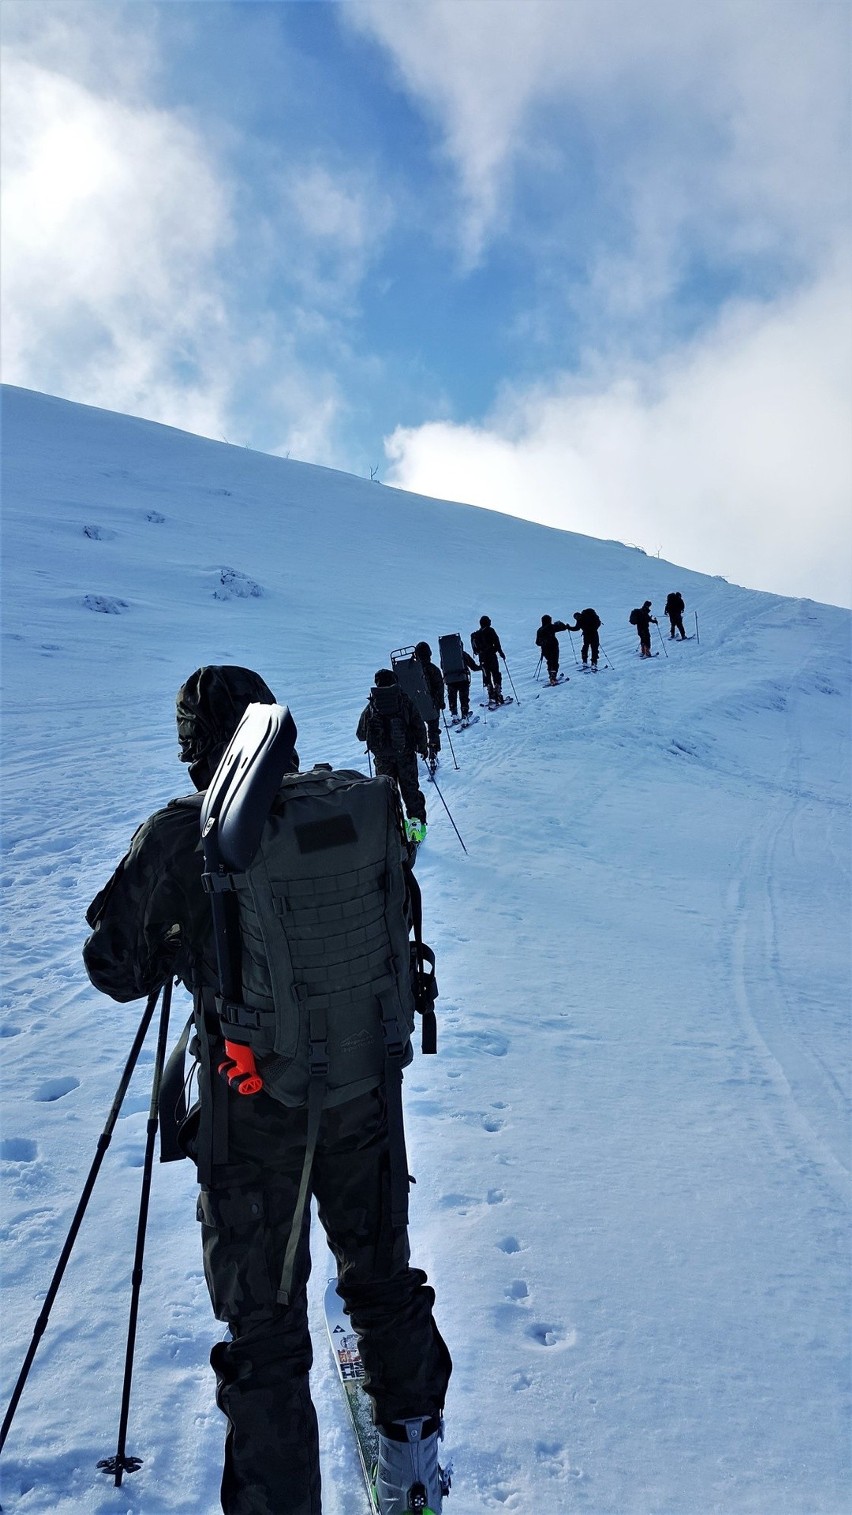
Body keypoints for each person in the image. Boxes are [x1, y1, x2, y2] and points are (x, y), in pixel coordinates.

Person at [82, 665, 451, 1515]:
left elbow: (114, 968)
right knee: (384, 1282)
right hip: (364, 1093)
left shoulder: (183, 836)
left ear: (191, 749)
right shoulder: (353, 805)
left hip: (253, 1122)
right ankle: (415, 1460)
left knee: (267, 1336)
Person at [357, 668, 429, 841]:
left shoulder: (373, 705)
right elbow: (419, 725)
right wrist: (423, 747)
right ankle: (415, 834)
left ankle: (394, 836)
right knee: (411, 793)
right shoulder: (404, 700)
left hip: (382, 760)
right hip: (405, 756)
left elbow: (360, 734)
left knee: (387, 796)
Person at [414, 641, 446, 769]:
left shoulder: (412, 671)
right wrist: (441, 702)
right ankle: (433, 754)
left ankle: (420, 753)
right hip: (431, 705)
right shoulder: (434, 669)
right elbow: (439, 687)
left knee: (417, 729)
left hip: (415, 707)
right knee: (433, 729)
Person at [470, 615, 505, 705]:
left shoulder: (476, 634)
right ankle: (498, 693)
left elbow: (476, 650)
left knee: (486, 675)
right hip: (491, 656)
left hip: (482, 658)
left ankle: (491, 695)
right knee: (496, 673)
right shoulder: (490, 630)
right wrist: (501, 653)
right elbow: (496, 642)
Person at [443, 641, 479, 721]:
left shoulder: (445, 656)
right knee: (464, 698)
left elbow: (443, 667)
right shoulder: (463, 654)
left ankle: (454, 714)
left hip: (450, 681)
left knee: (452, 697)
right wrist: (481, 667)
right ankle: (464, 715)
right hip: (462, 679)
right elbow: (473, 667)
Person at [534, 615, 569, 685]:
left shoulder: (540, 630)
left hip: (544, 649)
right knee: (555, 662)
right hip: (553, 647)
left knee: (549, 661)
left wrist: (543, 642)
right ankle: (553, 677)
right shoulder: (551, 627)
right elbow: (563, 628)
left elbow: (537, 642)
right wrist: (560, 623)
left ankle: (551, 675)